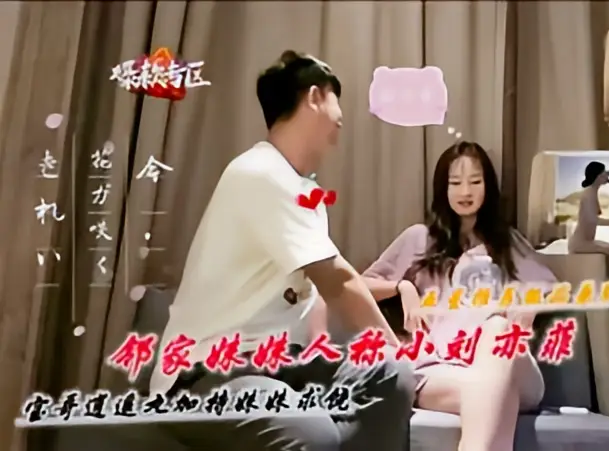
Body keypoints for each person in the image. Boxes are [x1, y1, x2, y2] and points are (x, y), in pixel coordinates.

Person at [152, 50, 415, 451]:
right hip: (206, 372)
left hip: (281, 364)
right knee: (315, 433)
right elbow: (337, 280)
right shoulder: (259, 172)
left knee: (388, 374)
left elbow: (322, 292)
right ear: (315, 97)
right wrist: (395, 343)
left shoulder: (303, 191)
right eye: (336, 99)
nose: (341, 116)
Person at [315, 141, 558, 451]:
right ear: (443, 188)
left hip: (508, 367)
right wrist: (403, 287)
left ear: (488, 186)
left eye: (475, 181)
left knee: (497, 329)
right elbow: (358, 285)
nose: (465, 191)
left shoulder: (505, 242)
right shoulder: (419, 238)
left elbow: (551, 287)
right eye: (455, 183)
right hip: (438, 370)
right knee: (491, 396)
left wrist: (529, 306)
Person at [567, 162, 609, 255]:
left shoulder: (592, 190)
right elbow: (594, 220)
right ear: (598, 176)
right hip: (580, 244)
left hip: (587, 241)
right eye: (604, 172)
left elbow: (604, 174)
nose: (607, 175)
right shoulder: (589, 194)